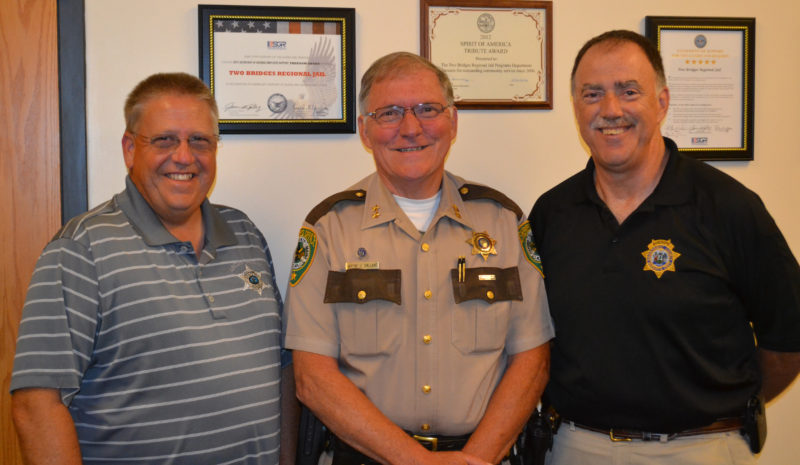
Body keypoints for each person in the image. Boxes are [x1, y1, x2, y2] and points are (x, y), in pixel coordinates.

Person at [529, 30, 800, 464]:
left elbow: (787, 340)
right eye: (592, 94)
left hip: (702, 448)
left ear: (663, 101)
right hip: (578, 446)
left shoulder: (728, 207)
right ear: (576, 108)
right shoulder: (552, 213)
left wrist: (715, 411)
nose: (610, 110)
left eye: (629, 91)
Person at [283, 52, 553, 465]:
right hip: (367, 456)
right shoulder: (329, 229)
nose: (411, 128)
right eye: (389, 113)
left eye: (428, 109)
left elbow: (531, 359)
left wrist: (476, 458)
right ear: (365, 131)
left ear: (453, 121)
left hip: (483, 456)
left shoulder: (502, 221)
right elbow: (313, 379)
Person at [11, 72, 291, 464]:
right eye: (164, 140)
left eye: (200, 140)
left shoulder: (245, 234)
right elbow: (36, 404)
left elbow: (280, 370)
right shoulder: (81, 250)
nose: (184, 156)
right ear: (129, 149)